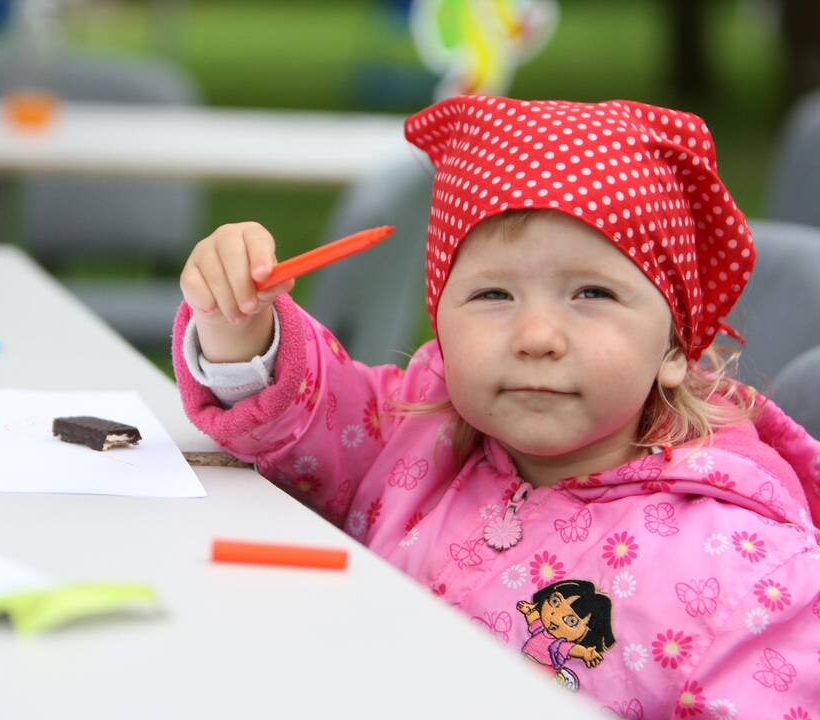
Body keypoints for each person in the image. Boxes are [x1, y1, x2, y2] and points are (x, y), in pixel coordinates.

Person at [172, 95, 820, 717]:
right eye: (492, 296)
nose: (536, 336)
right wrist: (237, 322)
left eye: (592, 293)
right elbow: (302, 411)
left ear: (676, 344)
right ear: (441, 327)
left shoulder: (742, 569)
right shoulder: (414, 432)